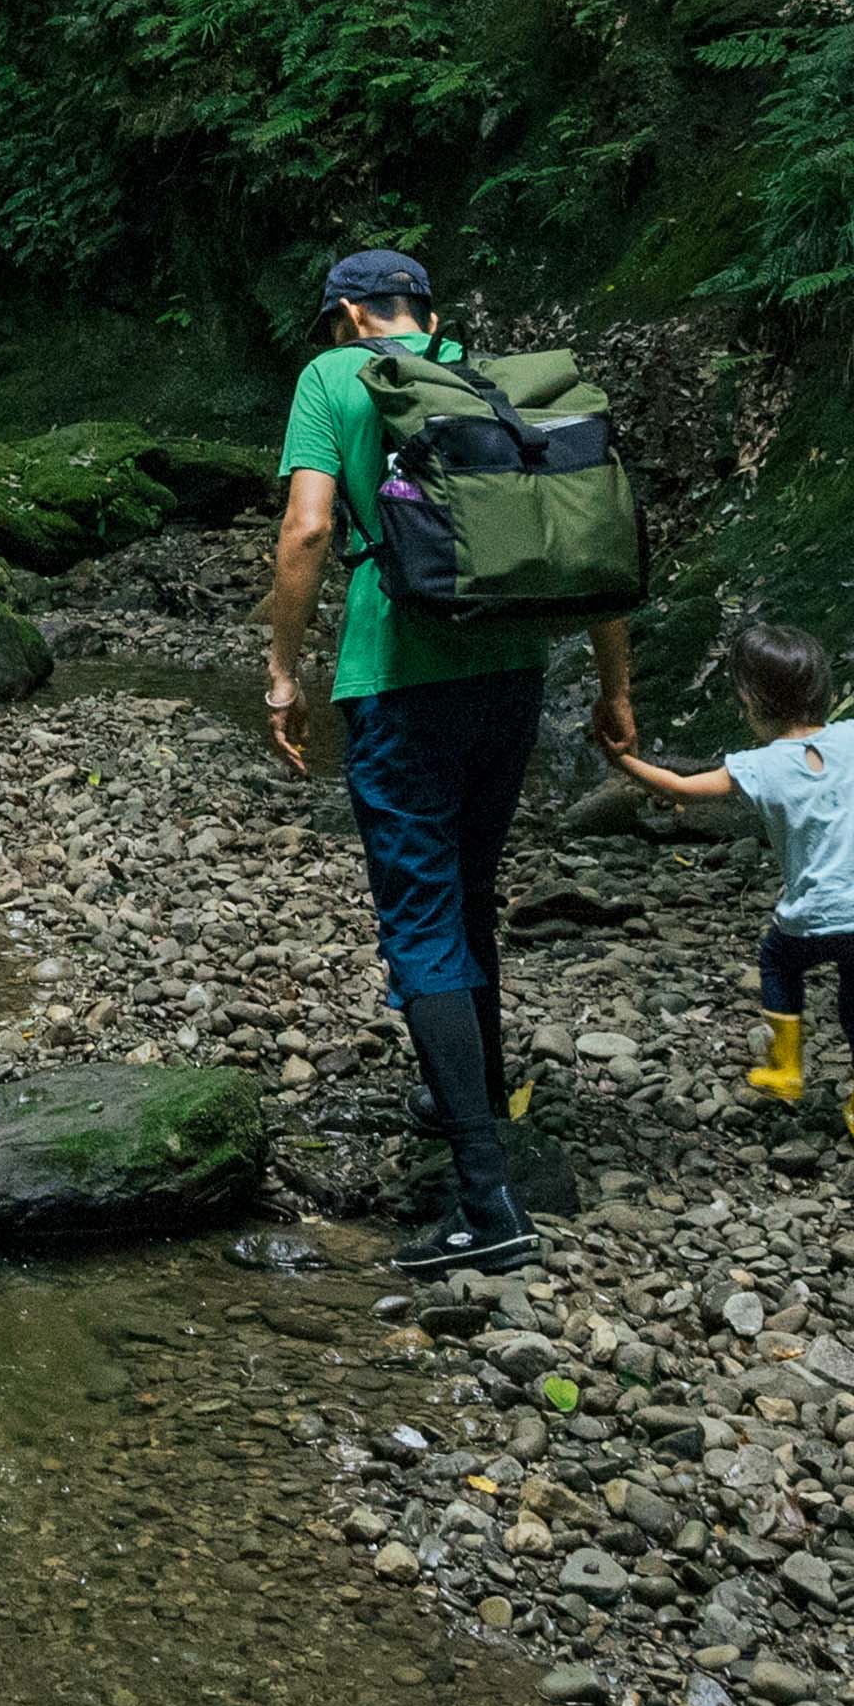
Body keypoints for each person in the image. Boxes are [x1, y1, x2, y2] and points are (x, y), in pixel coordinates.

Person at [261, 248, 635, 1279]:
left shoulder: (333, 378)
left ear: (347, 312)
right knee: (470, 892)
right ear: (423, 311)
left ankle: (487, 1198)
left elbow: (307, 531)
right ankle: (471, 1092)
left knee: (420, 916)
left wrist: (283, 672)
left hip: (398, 677)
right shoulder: (486, 378)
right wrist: (615, 687)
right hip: (512, 672)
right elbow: (584, 532)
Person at [597, 624, 854, 1164]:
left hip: (818, 918)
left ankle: (786, 1067)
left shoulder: (759, 765)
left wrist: (620, 759)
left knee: (778, 960)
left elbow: (679, 788)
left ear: (749, 699)